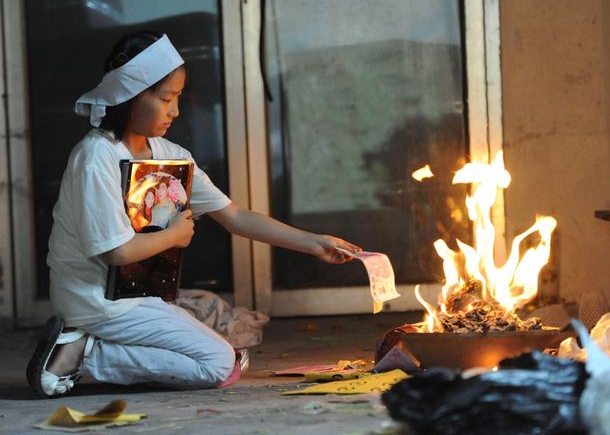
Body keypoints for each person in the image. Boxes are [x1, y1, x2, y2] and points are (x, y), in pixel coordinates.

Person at [26, 31, 361, 398]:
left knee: (225, 357)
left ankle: (87, 346)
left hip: (138, 297)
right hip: (94, 300)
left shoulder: (171, 155)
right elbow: (116, 252)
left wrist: (314, 243)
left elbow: (236, 216)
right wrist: (174, 235)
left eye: (178, 98)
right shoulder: (95, 157)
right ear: (131, 96)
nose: (175, 110)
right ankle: (83, 354)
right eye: (166, 98)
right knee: (218, 364)